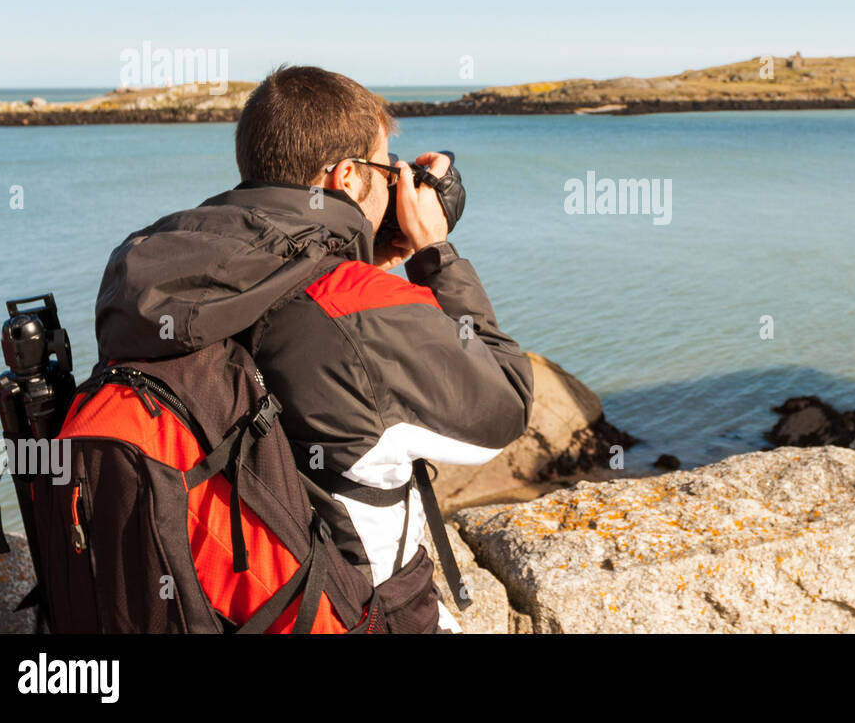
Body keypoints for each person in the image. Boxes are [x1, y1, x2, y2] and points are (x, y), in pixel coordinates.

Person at [94, 64, 534, 633]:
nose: (393, 182)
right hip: (349, 611)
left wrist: (356, 261)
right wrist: (436, 254)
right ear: (348, 177)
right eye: (385, 168)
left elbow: (287, 321)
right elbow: (506, 404)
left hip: (208, 600)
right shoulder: (358, 302)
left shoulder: (161, 273)